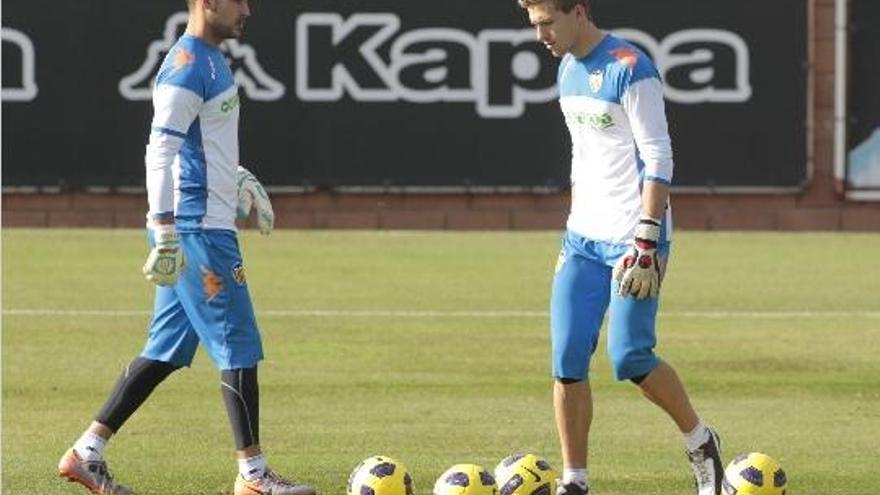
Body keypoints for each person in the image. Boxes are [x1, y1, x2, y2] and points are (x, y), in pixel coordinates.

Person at [57, 1, 312, 494]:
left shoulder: (212, 58)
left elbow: (199, 144)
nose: (248, 9)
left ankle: (85, 452)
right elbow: (161, 149)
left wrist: (231, 178)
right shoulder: (188, 64)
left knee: (165, 351)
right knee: (238, 345)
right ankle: (254, 476)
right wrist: (166, 230)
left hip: (202, 224)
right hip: (197, 232)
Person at [515, 1, 723, 494]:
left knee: (630, 357)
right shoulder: (566, 68)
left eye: (548, 22)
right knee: (566, 361)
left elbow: (658, 154)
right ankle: (575, 481)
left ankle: (701, 441)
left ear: (579, 12)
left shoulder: (631, 68)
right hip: (582, 238)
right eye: (534, 25)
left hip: (635, 238)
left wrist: (647, 239)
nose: (540, 34)